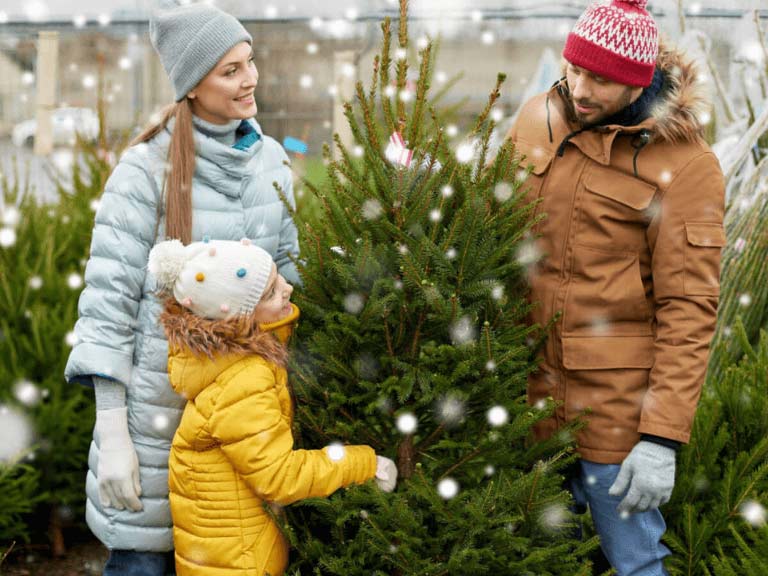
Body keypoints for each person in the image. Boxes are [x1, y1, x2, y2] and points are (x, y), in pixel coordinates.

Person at [64, 1, 303, 573]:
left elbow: (291, 272)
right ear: (192, 85)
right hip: (154, 426)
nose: (250, 80)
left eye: (249, 62)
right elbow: (107, 307)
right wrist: (113, 431)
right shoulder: (144, 172)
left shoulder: (270, 161)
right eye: (229, 70)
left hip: (243, 430)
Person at [505, 0, 725, 573]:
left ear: (637, 79)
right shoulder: (537, 119)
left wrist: (661, 440)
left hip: (616, 421)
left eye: (600, 79)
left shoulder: (684, 163)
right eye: (575, 69)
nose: (579, 88)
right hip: (530, 405)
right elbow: (494, 231)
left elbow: (689, 309)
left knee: (634, 564)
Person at [144, 238, 398, 575]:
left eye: (278, 278)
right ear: (239, 319)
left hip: (229, 555)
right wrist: (364, 464)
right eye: (269, 293)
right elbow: (278, 477)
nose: (288, 289)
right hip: (240, 563)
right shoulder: (243, 378)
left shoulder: (228, 361)